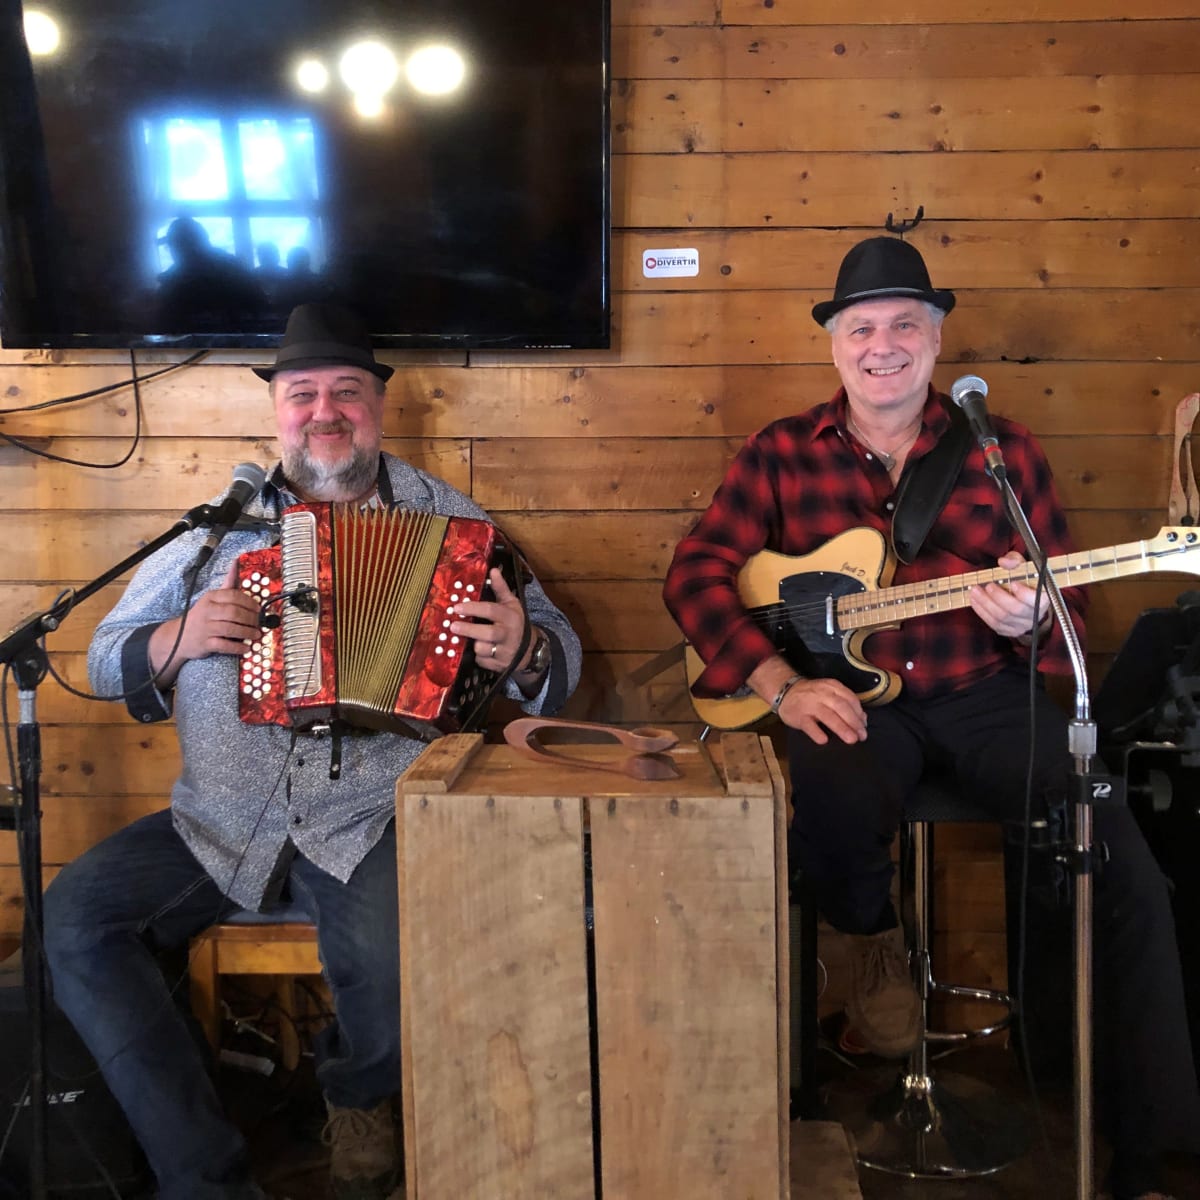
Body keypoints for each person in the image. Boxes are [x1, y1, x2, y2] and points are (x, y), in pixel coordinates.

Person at [663, 236, 1200, 1200]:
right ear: (835, 344)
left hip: (982, 694)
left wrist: (1034, 619)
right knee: (829, 783)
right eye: (861, 327)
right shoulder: (781, 452)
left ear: (938, 338)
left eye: (904, 324)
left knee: (1114, 849)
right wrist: (780, 684)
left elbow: (1071, 615)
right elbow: (695, 574)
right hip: (847, 698)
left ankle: (1147, 1149)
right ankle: (871, 940)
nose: (883, 345)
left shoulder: (1003, 451)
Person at [43, 303, 582, 1200]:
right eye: (302, 394)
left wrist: (521, 646)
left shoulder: (449, 523)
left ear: (379, 406)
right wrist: (176, 637)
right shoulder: (215, 529)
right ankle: (202, 1174)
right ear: (277, 412)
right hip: (219, 820)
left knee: (390, 955)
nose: (324, 412)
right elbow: (103, 660)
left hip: (371, 818)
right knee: (77, 919)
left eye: (346, 392)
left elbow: (559, 659)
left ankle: (359, 1097)